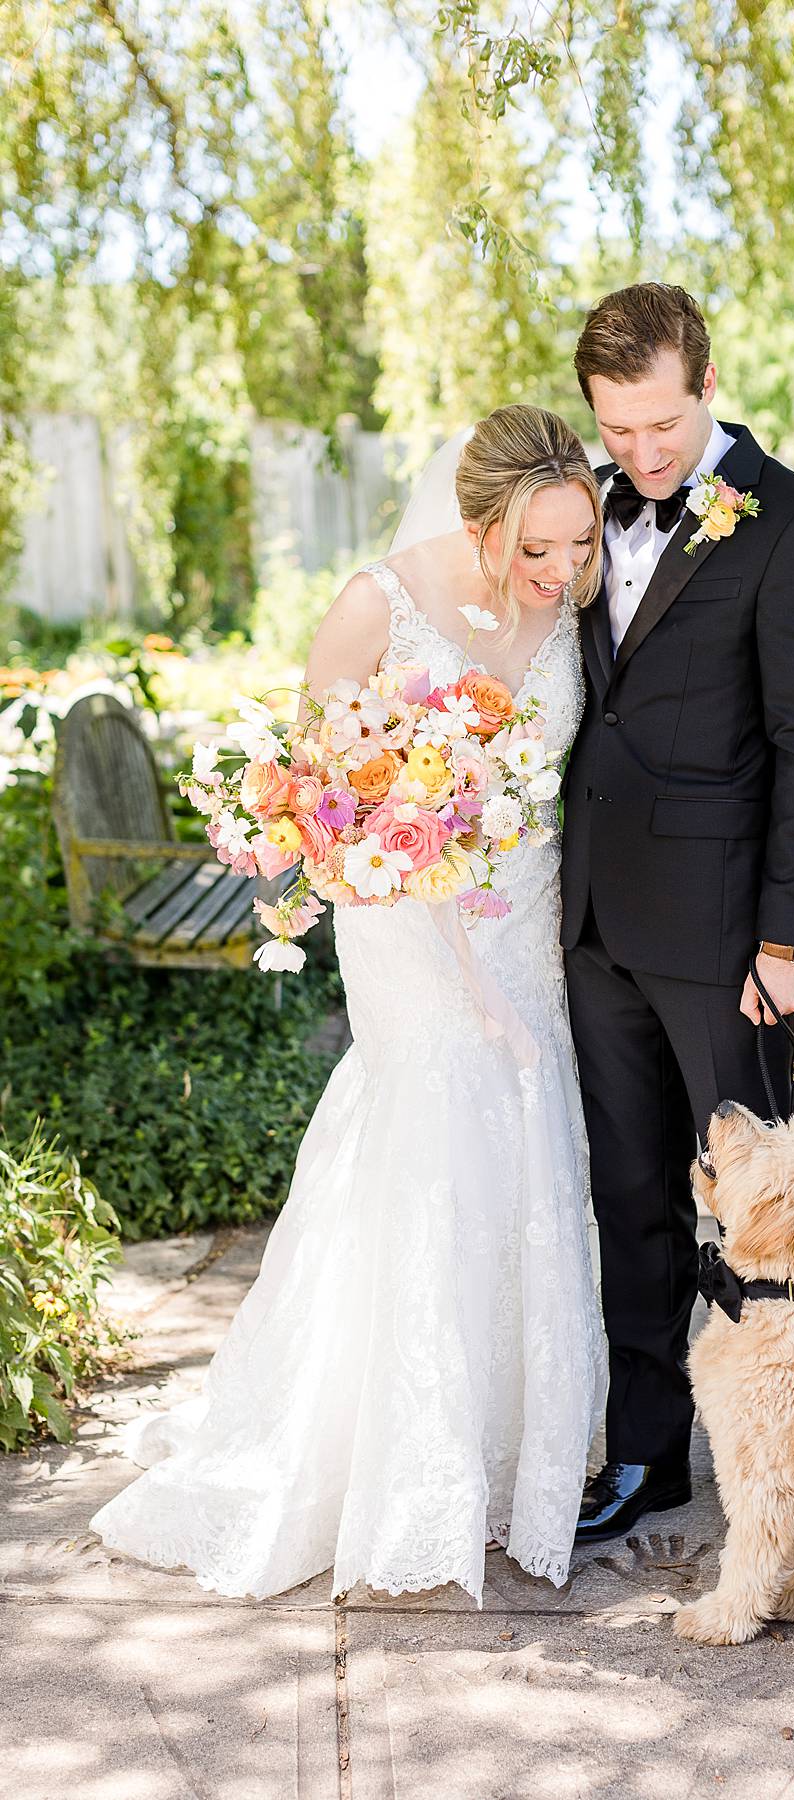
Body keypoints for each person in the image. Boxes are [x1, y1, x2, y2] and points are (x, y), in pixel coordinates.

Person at [91, 405, 607, 1604]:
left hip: (526, 914)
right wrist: (424, 877)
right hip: (410, 920)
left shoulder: (566, 600)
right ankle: (406, 1463)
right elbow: (328, 806)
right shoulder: (378, 604)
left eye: (577, 547)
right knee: (435, 1126)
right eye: (536, 549)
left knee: (531, 1134)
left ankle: (515, 1449)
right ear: (478, 521)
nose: (559, 573)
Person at [561, 283, 794, 1543]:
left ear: (709, 383)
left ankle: (790, 1473)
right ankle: (645, 1455)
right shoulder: (579, 509)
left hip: (732, 943)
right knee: (626, 1192)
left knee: (759, 1224)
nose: (639, 454)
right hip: (590, 926)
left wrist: (791, 942)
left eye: (662, 427)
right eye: (618, 430)